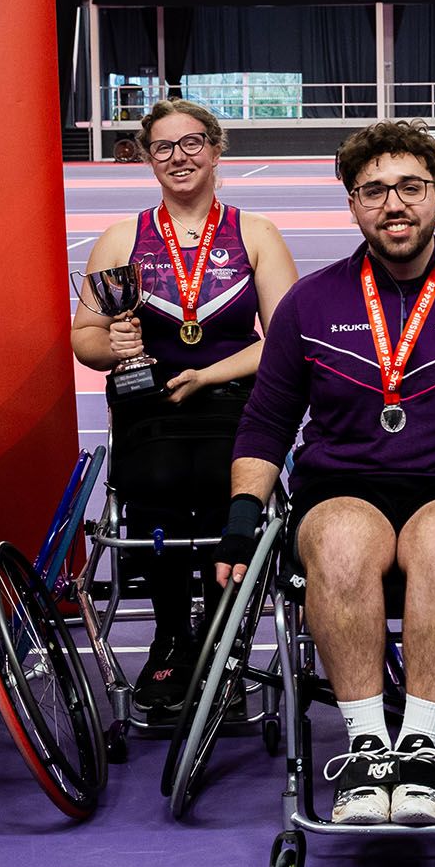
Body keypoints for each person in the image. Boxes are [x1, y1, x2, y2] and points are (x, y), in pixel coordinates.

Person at [216, 119, 435, 827]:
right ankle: (365, 750)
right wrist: (242, 513)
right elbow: (265, 425)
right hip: (342, 483)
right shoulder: (310, 303)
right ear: (352, 206)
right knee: (343, 543)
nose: (394, 203)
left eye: (409, 186)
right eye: (373, 190)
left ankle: (418, 749)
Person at [71, 99, 298, 713]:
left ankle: (224, 636)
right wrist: (110, 342)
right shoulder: (122, 239)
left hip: (232, 398)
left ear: (217, 149)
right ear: (147, 158)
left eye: (193, 142)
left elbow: (285, 340)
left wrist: (209, 374)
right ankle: (172, 638)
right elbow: (85, 338)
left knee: (225, 478)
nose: (179, 157)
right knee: (159, 479)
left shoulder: (256, 233)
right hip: (150, 407)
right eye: (164, 147)